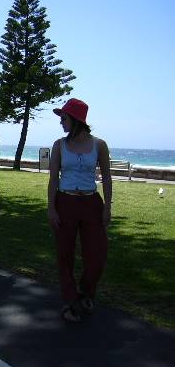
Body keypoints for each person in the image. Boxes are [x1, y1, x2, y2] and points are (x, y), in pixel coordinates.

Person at [47, 98, 112, 323]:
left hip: (91, 203)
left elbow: (107, 178)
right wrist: (51, 208)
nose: (61, 123)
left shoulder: (99, 145)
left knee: (97, 254)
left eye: (64, 118)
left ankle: (85, 292)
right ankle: (69, 299)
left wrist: (107, 208)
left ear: (76, 120)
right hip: (65, 202)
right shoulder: (59, 145)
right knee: (64, 254)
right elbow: (53, 178)